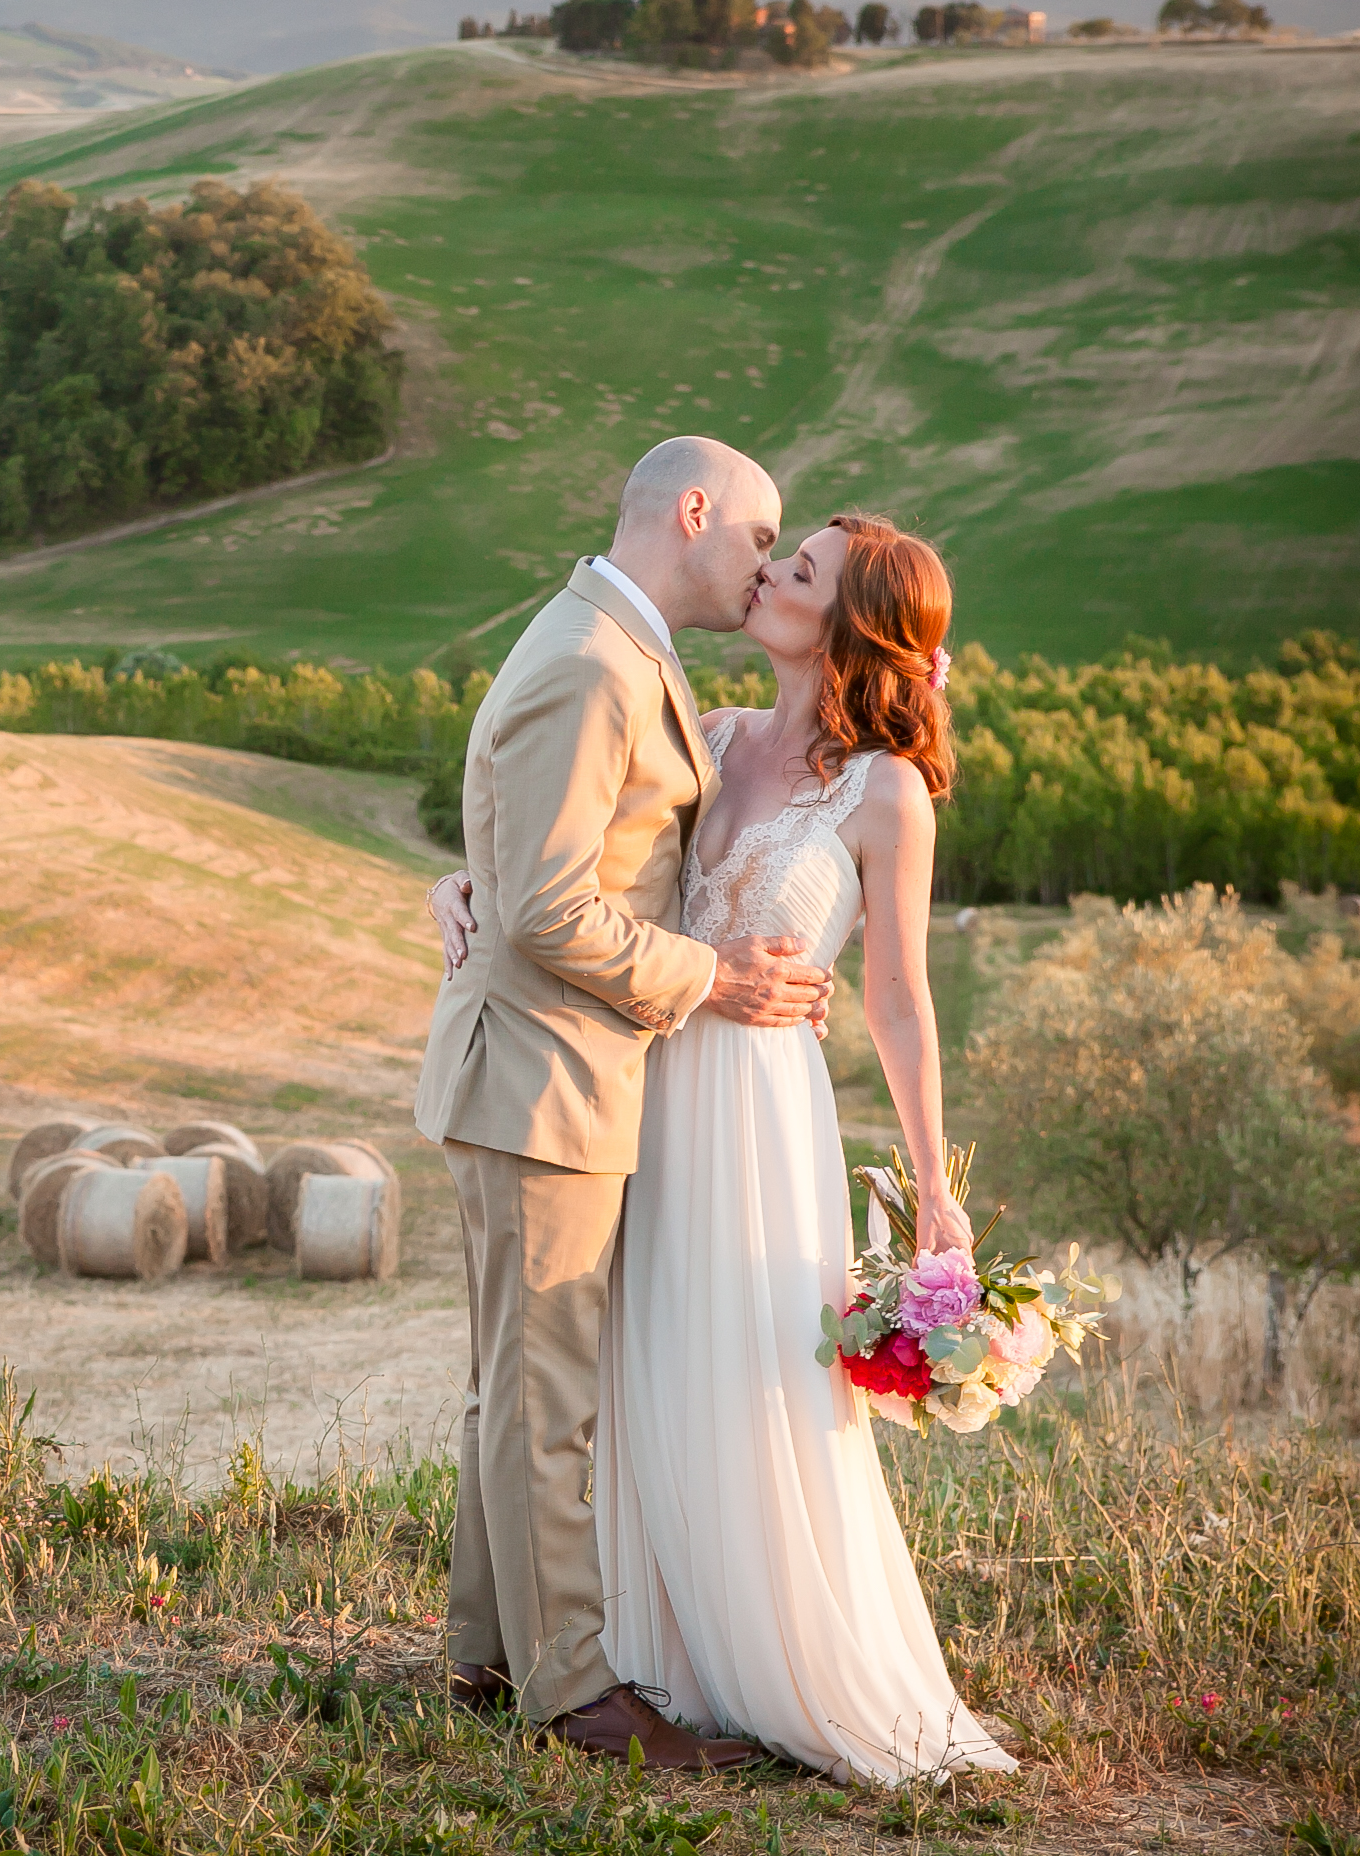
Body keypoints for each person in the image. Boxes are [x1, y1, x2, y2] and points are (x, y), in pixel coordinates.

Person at [430, 510, 1014, 1786]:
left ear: (850, 622)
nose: (769, 573)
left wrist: (932, 1187)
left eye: (798, 569)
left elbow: (901, 1001)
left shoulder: (886, 793)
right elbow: (576, 856)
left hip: (756, 1112)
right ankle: (634, 1646)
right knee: (629, 1365)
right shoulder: (717, 731)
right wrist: (463, 878)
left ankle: (773, 1655)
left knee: (752, 1377)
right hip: (641, 1084)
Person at [411, 435, 834, 1772]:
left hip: (550, 1070)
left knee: (512, 1388)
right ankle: (582, 1701)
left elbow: (529, 861)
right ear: (694, 513)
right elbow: (545, 905)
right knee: (545, 1400)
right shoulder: (595, 661)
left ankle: (488, 1658)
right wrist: (713, 976)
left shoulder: (618, 644)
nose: (767, 562)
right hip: (543, 1076)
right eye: (761, 536)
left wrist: (465, 883)